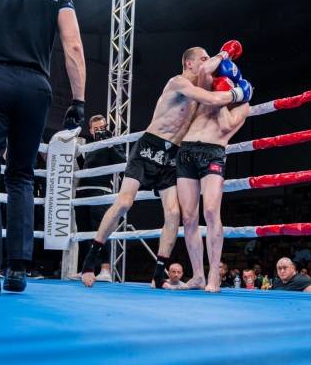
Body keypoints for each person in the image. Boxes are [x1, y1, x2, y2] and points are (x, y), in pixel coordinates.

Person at [81, 44, 252, 288]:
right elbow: (213, 98)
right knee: (124, 203)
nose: (208, 62)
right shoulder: (178, 83)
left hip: (172, 155)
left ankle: (159, 274)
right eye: (203, 58)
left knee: (174, 213)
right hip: (149, 147)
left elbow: (214, 96)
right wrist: (237, 86)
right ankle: (90, 261)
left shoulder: (200, 87)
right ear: (190, 63)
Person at [0, 0, 86, 295]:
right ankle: (17, 268)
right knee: (21, 175)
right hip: (35, 87)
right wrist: (79, 100)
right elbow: (73, 46)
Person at [177, 43, 252, 292]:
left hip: (213, 152)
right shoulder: (207, 85)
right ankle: (198, 275)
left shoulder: (243, 104)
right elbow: (203, 70)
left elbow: (227, 126)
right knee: (188, 217)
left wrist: (226, 96)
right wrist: (224, 53)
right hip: (187, 151)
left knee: (210, 211)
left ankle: (213, 276)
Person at [70, 115, 126, 282]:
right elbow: (86, 168)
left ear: (107, 127)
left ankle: (105, 269)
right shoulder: (89, 146)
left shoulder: (114, 142)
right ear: (91, 130)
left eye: (102, 128)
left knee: (101, 229)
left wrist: (108, 143)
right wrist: (77, 154)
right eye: (96, 129)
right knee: (83, 232)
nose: (100, 131)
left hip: (100, 191)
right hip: (82, 192)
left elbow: (122, 161)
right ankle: (85, 269)